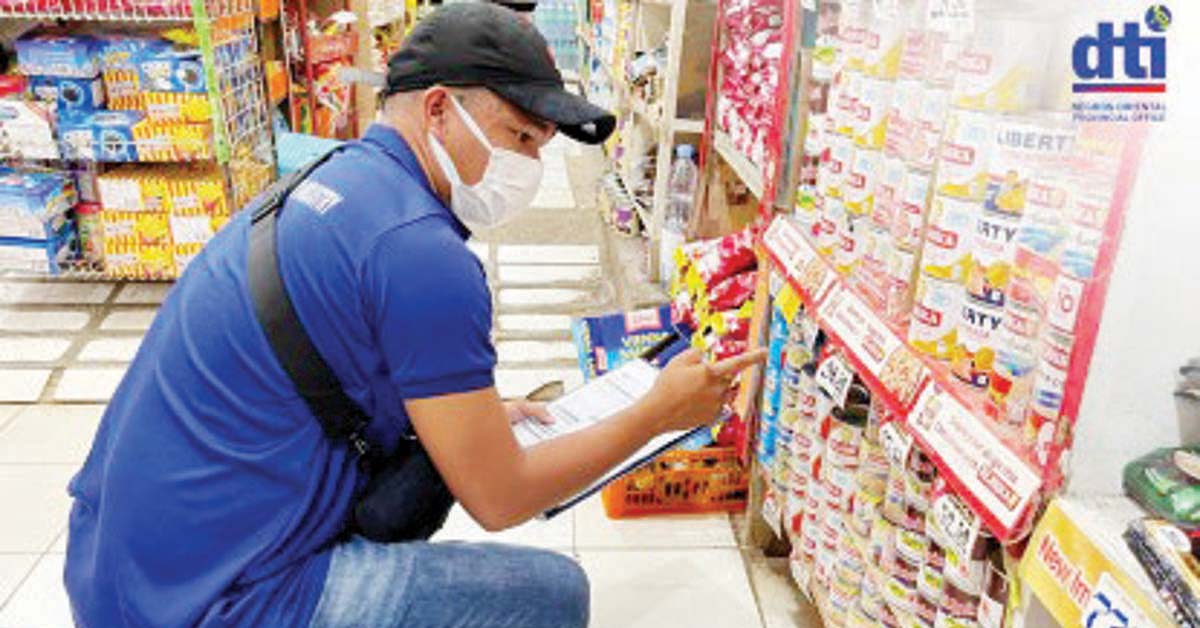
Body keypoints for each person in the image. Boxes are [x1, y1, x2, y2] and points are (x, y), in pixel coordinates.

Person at [64, 4, 764, 627]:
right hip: (219, 600)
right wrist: (656, 415)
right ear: (437, 109)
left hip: (116, 564)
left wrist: (480, 414)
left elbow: (341, 350)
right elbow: (499, 498)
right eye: (519, 138)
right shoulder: (420, 255)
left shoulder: (328, 178)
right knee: (551, 594)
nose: (528, 167)